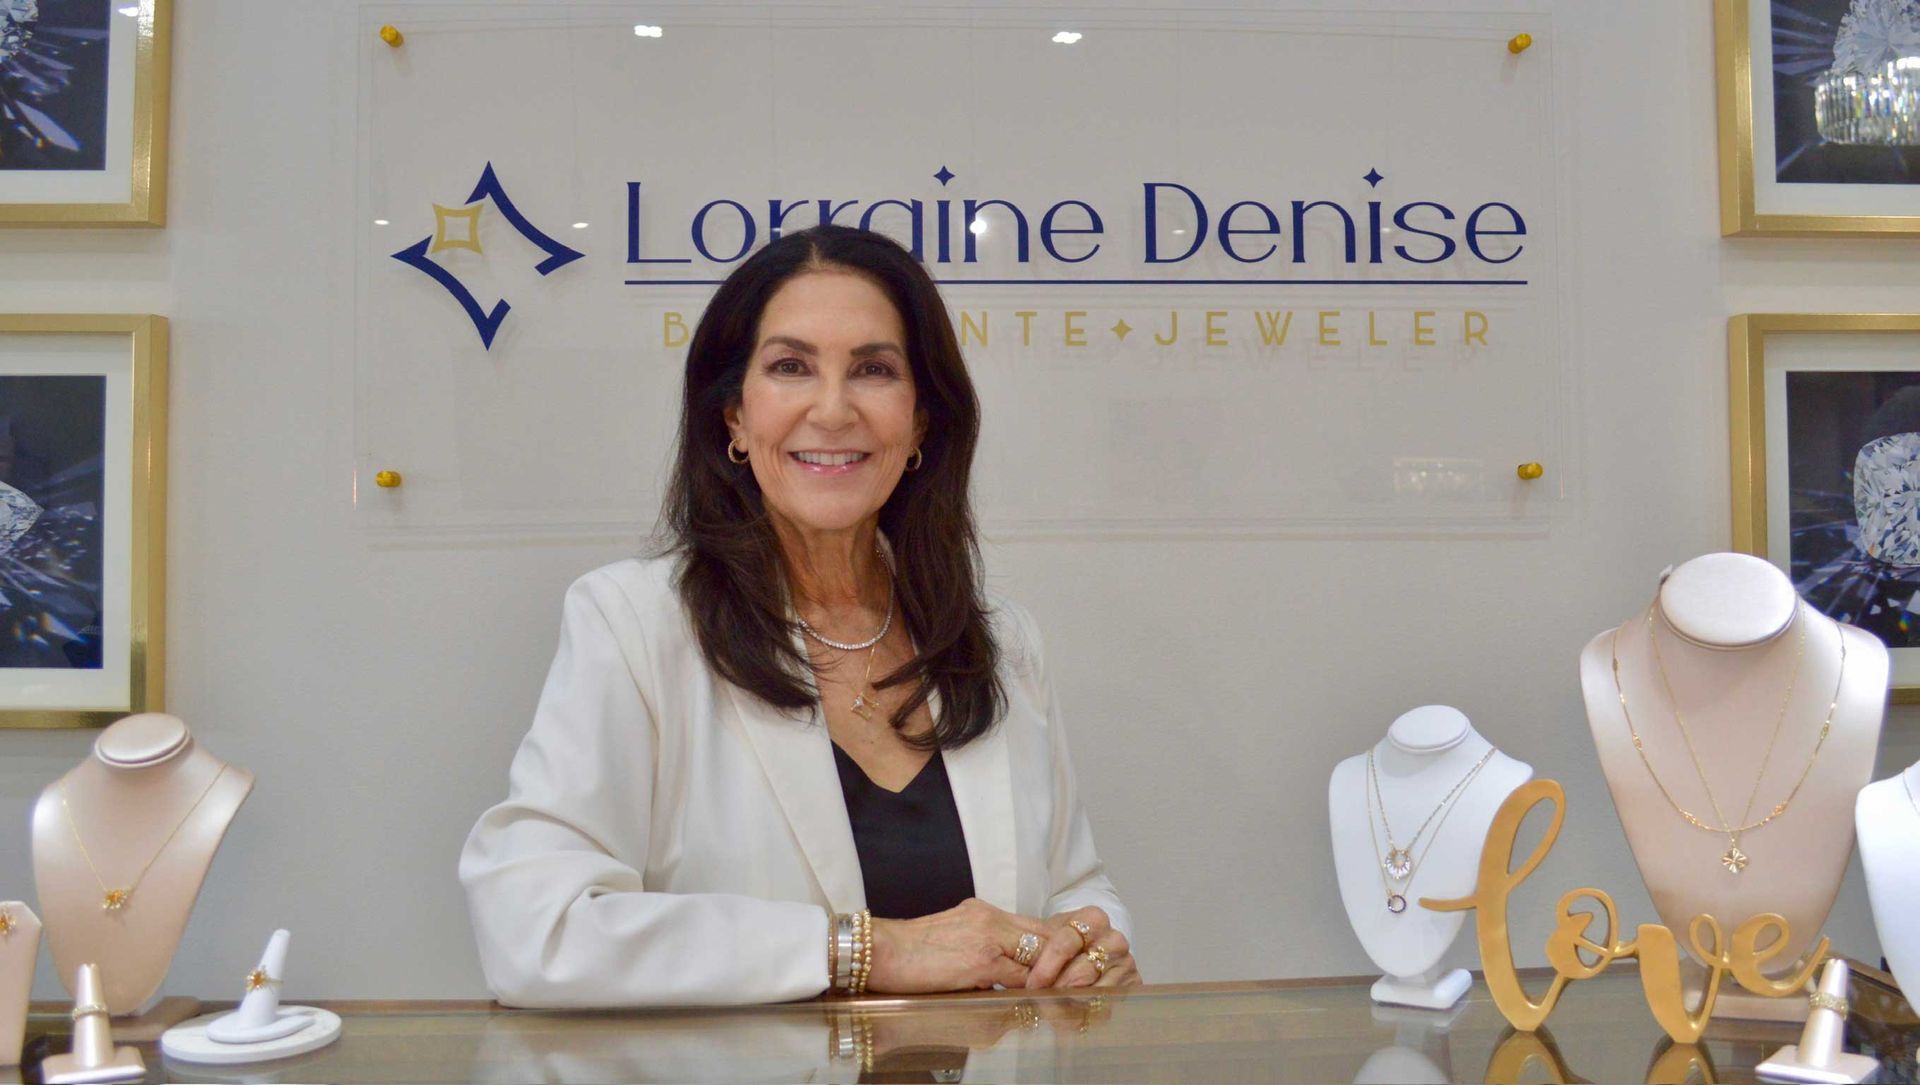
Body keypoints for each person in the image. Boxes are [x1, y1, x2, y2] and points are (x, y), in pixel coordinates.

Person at [459, 224, 1137, 1007]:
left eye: (875, 370)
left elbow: (1074, 884)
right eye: (790, 367)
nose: (833, 408)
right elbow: (534, 928)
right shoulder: (634, 623)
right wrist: (869, 949)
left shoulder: (1003, 642)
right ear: (734, 419)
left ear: (920, 420)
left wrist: (1088, 946)